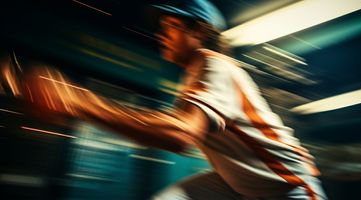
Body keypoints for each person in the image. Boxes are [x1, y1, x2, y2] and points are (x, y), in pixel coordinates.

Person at [1, 0, 327, 199]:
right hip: (239, 184)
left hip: (288, 184)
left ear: (199, 32)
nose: (161, 34)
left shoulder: (213, 63)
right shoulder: (193, 76)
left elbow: (180, 133)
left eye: (171, 25)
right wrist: (76, 102)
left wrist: (77, 100)